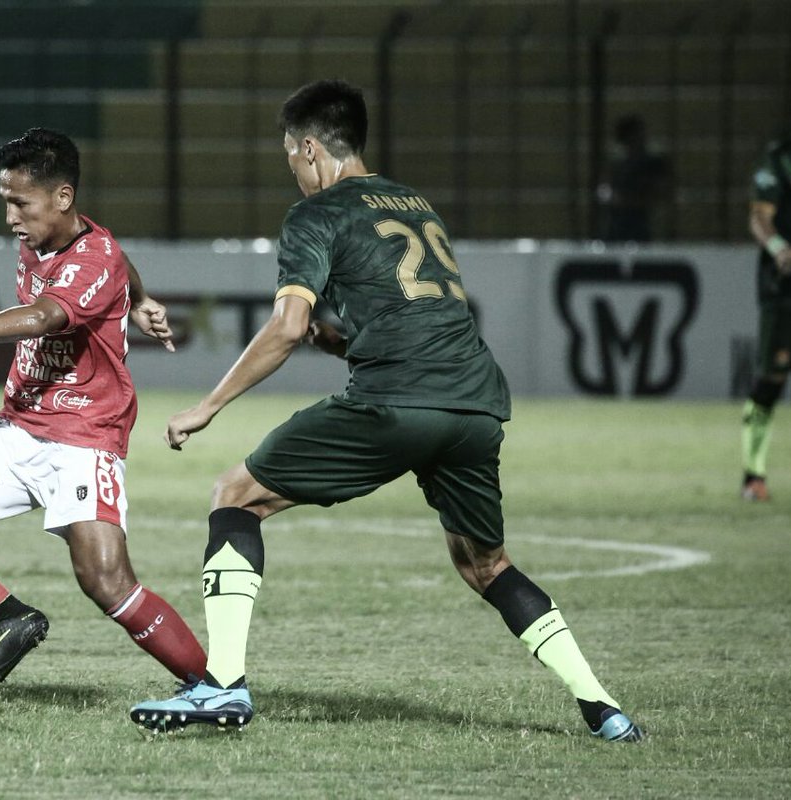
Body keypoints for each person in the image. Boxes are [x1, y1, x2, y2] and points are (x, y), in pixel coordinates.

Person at [129, 80, 642, 743]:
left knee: (235, 496)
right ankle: (604, 710)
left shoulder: (314, 215)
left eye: (290, 152)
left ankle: (222, 685)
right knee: (486, 564)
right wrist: (347, 342)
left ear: (309, 147)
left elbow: (286, 328)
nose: (291, 165)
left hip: (398, 401)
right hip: (475, 403)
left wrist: (209, 405)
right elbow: (417, 313)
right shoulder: (415, 202)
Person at [0, 128, 206, 695]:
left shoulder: (93, 259)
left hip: (84, 437)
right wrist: (141, 299)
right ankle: (6, 615)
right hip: (20, 426)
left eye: (20, 203)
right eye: (6, 202)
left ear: (62, 197)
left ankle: (212, 686)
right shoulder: (50, 239)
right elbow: (119, 258)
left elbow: (45, 316)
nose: (11, 218)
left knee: (104, 580)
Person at [740, 68, 791, 502]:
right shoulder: (781, 159)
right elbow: (760, 216)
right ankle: (753, 475)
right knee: (772, 378)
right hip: (789, 287)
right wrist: (779, 247)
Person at [598, 114, 670, 242]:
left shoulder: (653, 162)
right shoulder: (616, 162)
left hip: (642, 219)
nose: (642, 136)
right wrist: (612, 198)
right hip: (617, 220)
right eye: (637, 133)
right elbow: (604, 188)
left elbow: (660, 189)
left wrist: (639, 200)